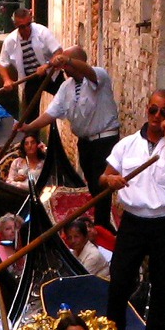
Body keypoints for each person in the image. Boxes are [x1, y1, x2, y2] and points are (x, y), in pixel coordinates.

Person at [101, 91, 165, 330]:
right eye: (153, 110)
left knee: (161, 283)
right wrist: (110, 181)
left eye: (164, 112)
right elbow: (104, 177)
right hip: (133, 222)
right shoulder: (127, 145)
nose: (157, 116)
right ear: (147, 110)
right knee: (120, 279)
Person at [21, 49, 122, 227]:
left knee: (101, 186)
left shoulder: (99, 75)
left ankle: (102, 227)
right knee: (92, 184)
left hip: (105, 140)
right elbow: (51, 113)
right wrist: (29, 127)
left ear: (78, 62)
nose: (65, 69)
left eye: (68, 65)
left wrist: (67, 59)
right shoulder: (66, 87)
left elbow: (88, 71)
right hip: (85, 142)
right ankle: (100, 224)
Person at [0, 7, 63, 126]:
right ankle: (31, 140)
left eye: (28, 25)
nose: (27, 29)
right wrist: (6, 80)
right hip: (30, 79)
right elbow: (1, 64)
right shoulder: (10, 41)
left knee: (68, 99)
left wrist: (47, 66)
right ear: (16, 26)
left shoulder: (42, 32)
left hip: (51, 74)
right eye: (22, 27)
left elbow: (58, 52)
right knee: (30, 116)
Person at [63, 213, 111, 279]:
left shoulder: (93, 256)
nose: (73, 241)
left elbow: (79, 280)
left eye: (76, 237)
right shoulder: (74, 252)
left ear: (85, 237)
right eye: (69, 238)